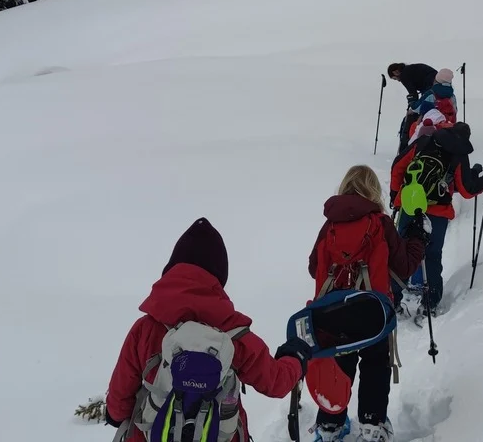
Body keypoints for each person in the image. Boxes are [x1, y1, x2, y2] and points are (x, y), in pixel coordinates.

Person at [106, 218, 311, 442]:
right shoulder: (235, 336)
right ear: (219, 278)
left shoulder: (144, 330)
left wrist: (116, 416)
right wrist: (295, 357)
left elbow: (118, 405)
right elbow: (276, 383)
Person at [307, 166, 429, 442]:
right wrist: (418, 239)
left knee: (338, 368)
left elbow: (315, 268)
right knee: (375, 366)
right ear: (374, 190)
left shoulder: (330, 224)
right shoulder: (380, 223)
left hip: (332, 313)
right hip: (373, 312)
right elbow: (405, 266)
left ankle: (329, 427)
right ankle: (372, 427)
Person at [390, 123, 483, 314]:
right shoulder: (459, 154)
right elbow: (466, 189)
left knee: (402, 252)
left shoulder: (425, 141)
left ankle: (393, 299)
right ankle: (430, 303)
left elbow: (398, 166)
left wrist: (395, 195)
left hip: (410, 205)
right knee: (432, 256)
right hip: (437, 212)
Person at [388, 63, 439, 155]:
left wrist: (413, 106)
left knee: (425, 106)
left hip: (429, 84)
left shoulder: (404, 75)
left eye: (395, 79)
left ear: (395, 72)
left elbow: (413, 93)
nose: (398, 81)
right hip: (434, 79)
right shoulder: (410, 70)